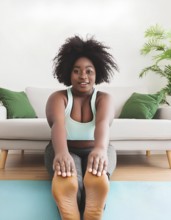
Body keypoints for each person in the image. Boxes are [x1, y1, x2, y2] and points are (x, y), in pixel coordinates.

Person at [44, 35, 118, 220]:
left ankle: (92, 206)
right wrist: (61, 153)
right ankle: (71, 206)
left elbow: (102, 124)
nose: (83, 76)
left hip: (96, 147)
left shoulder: (104, 99)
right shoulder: (58, 98)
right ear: (68, 73)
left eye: (89, 71)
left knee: (97, 172)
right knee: (68, 174)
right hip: (64, 148)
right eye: (76, 71)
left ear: (97, 73)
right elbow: (57, 125)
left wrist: (100, 149)